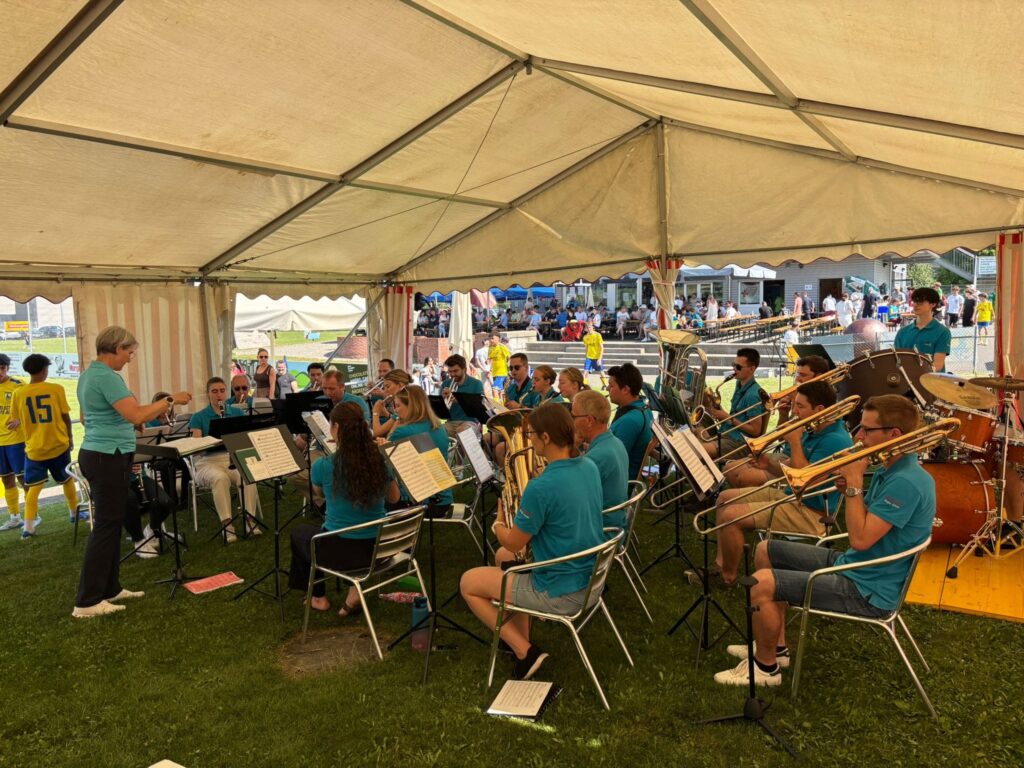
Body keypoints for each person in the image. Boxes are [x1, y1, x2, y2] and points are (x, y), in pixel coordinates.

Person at [714, 395, 933, 686]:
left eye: (867, 430)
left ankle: (765, 670)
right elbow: (870, 524)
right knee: (766, 550)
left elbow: (860, 540)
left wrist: (854, 487)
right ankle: (775, 649)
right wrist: (851, 492)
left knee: (762, 583)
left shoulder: (906, 481)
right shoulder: (891, 469)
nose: (858, 436)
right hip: (855, 565)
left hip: (868, 590)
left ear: (894, 434)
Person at [460, 403, 606, 680]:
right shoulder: (589, 466)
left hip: (561, 591)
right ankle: (519, 637)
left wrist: (498, 524)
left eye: (531, 434)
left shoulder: (541, 487)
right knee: (503, 559)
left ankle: (525, 652)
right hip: (590, 580)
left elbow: (513, 543)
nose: (529, 440)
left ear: (546, 438)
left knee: (469, 583)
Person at [74, 325, 191, 618]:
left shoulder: (89, 375)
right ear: (117, 348)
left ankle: (110, 588)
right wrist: (170, 400)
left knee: (113, 524)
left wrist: (124, 422)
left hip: (101, 453)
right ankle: (87, 601)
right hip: (107, 457)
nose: (130, 357)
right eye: (129, 352)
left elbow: (87, 418)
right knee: (106, 527)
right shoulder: (106, 377)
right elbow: (136, 413)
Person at [694, 381, 854, 589]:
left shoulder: (835, 440)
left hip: (810, 511)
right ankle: (720, 564)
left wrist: (794, 441)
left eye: (800, 406)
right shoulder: (814, 427)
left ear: (820, 409)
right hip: (790, 496)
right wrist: (768, 464)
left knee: (731, 516)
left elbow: (806, 480)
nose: (795, 412)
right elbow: (792, 471)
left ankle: (727, 577)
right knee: (724, 498)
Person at [289, 402, 401, 616]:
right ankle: (353, 591)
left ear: (337, 428)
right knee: (338, 531)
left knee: (300, 534)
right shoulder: (379, 460)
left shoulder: (324, 465)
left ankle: (318, 597)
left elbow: (319, 494)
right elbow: (394, 498)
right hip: (380, 548)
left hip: (343, 552)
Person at [724, 355, 831, 488]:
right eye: (797, 374)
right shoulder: (801, 397)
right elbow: (782, 437)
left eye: (803, 375)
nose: (797, 379)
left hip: (797, 461)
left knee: (744, 477)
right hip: (785, 454)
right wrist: (784, 414)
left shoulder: (820, 402)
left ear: (818, 376)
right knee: (729, 469)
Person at [6, 354, 78, 538]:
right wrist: (70, 437)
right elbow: (65, 416)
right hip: (58, 444)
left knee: (34, 487)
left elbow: (16, 418)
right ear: (45, 370)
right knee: (67, 480)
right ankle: (74, 513)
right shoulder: (56, 389)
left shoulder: (18, 393)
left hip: (35, 449)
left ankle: (28, 527)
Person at [188, 377, 261, 540]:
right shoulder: (198, 417)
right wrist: (213, 441)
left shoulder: (237, 413)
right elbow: (195, 448)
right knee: (220, 478)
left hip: (232, 458)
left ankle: (250, 520)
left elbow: (245, 439)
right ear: (208, 394)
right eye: (214, 391)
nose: (219, 395)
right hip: (207, 461)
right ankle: (227, 525)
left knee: (246, 475)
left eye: (222, 391)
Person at [384, 386, 452, 515]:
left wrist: (393, 427)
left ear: (411, 407)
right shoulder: (438, 425)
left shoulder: (403, 431)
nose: (396, 411)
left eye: (398, 406)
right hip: (444, 498)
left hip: (421, 502)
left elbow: (384, 458)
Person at [573, 390, 629, 529]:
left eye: (574, 416)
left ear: (589, 420)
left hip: (600, 530)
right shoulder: (615, 442)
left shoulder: (596, 457)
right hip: (613, 522)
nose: (572, 422)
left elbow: (570, 501)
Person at [701, 348, 767, 460]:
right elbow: (735, 415)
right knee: (696, 427)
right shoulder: (739, 384)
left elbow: (756, 431)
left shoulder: (753, 395)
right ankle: (708, 445)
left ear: (752, 369)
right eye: (734, 365)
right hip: (727, 434)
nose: (734, 369)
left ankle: (708, 447)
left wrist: (728, 418)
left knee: (699, 450)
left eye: (738, 367)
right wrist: (714, 406)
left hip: (739, 443)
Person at [607, 363, 653, 480]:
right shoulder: (644, 409)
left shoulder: (629, 421)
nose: (607, 389)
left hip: (620, 482)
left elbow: (612, 461)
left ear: (625, 390)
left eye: (611, 386)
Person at [894, 287, 951, 372]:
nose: (915, 305)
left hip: (931, 379)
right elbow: (897, 361)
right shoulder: (903, 332)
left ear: (933, 304)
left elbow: (938, 365)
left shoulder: (943, 332)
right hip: (906, 379)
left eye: (920, 302)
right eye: (914, 301)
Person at [0, 354, 26, 532]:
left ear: (8, 368)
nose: (0, 372)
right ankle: (15, 517)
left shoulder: (18, 385)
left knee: (24, 478)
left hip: (16, 440)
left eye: (2, 368)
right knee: (6, 479)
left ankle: (32, 515)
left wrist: (20, 419)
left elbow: (31, 406)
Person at [441, 354, 484, 435]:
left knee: (462, 431)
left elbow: (479, 407)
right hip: (451, 422)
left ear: (464, 369)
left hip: (471, 421)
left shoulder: (476, 384)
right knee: (436, 431)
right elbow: (442, 412)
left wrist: (459, 400)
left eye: (455, 371)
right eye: (450, 371)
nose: (452, 374)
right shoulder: (446, 384)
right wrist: (442, 400)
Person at [371, 369, 413, 438]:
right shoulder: (411, 399)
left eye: (388, 386)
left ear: (400, 385)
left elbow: (377, 433)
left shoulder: (404, 404)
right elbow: (396, 419)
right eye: (384, 387)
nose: (385, 391)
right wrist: (386, 413)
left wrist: (375, 412)